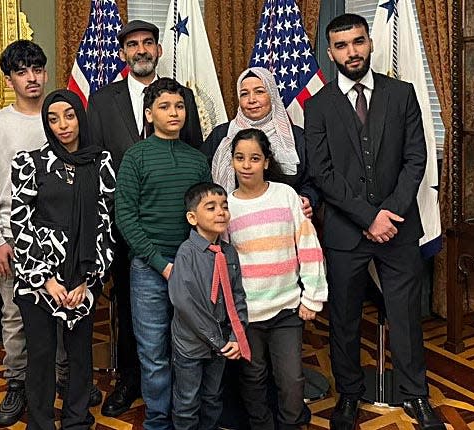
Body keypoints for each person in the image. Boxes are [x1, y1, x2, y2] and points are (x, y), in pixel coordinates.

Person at [304, 14, 446, 430]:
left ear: (369, 43)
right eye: (342, 45)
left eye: (358, 42)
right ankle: (348, 395)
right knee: (345, 318)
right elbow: (322, 170)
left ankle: (415, 396)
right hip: (346, 231)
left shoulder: (401, 94)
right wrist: (368, 217)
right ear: (331, 53)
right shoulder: (319, 105)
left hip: (398, 227)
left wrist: (389, 215)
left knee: (404, 316)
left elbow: (415, 160)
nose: (352, 51)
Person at [0, 40, 101, 427]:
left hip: (67, 239)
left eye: (38, 69)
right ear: (9, 79)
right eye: (22, 72)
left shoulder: (62, 117)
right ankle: (17, 384)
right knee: (16, 317)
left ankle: (64, 380)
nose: (32, 78)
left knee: (66, 316)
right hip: (16, 241)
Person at [87, 19, 204, 418]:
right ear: (123, 53)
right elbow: (97, 163)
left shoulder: (179, 95)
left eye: (148, 43)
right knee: (130, 311)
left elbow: (194, 159)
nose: (141, 50)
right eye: (132, 44)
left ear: (157, 49)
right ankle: (130, 380)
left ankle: (182, 399)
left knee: (180, 320)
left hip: (178, 235)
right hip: (125, 229)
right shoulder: (103, 100)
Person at [10, 89, 115, 429]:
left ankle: (76, 419)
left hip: (82, 276)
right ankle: (40, 422)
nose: (63, 125)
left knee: (79, 356)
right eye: (53, 119)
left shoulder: (100, 163)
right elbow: (20, 222)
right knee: (40, 356)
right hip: (39, 278)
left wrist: (86, 278)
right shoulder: (30, 162)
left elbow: (105, 223)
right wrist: (46, 280)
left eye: (69, 116)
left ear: (80, 118)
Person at [115, 77, 212, 430]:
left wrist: (185, 265)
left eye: (179, 106)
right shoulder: (135, 157)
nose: (174, 113)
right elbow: (125, 215)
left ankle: (187, 418)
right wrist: (159, 263)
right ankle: (158, 419)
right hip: (147, 269)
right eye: (165, 107)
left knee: (188, 349)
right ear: (149, 114)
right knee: (153, 351)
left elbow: (205, 217)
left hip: (190, 269)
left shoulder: (197, 161)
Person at [226, 128, 327, 429]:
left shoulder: (286, 196)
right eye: (240, 158)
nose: (247, 165)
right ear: (231, 162)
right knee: (253, 378)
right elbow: (223, 265)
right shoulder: (227, 208)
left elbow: (308, 246)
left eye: (255, 158)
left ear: (267, 162)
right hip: (247, 315)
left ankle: (292, 423)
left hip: (286, 309)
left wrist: (312, 297)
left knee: (291, 379)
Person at [169, 182, 249, 430]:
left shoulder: (229, 253)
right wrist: (218, 340)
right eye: (211, 207)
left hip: (222, 345)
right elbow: (186, 304)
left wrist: (237, 335)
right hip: (191, 346)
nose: (221, 212)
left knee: (213, 398)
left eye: (224, 206)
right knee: (187, 403)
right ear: (192, 217)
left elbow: (237, 296)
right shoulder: (186, 253)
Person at [204, 66, 318, 218]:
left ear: (272, 94)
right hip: (233, 220)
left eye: (259, 91)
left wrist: (308, 198)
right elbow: (203, 180)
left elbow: (314, 179)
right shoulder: (222, 135)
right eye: (244, 94)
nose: (252, 100)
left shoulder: (296, 136)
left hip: (284, 221)